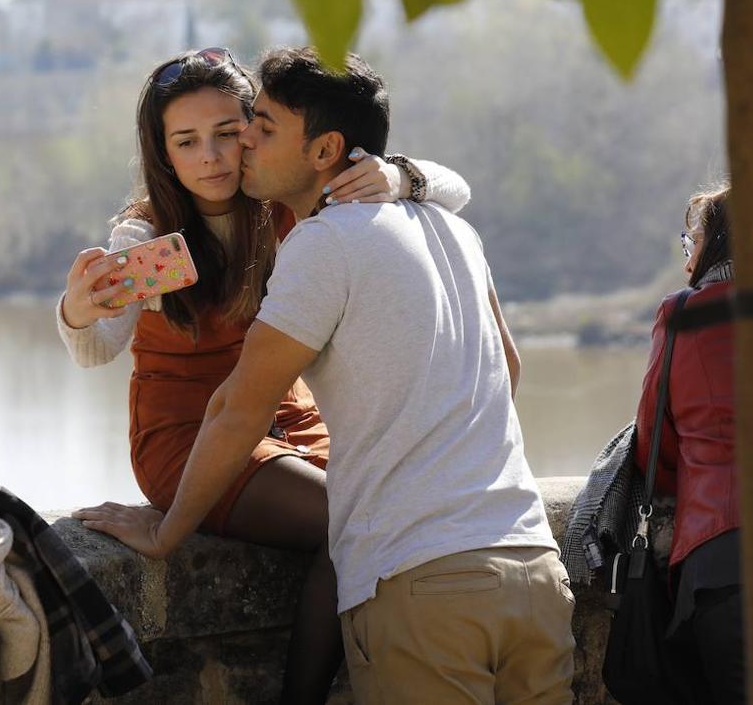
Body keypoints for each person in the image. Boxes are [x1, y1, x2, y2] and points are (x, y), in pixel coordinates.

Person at [78, 47, 574, 703]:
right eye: (187, 141)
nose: (224, 152)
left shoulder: (294, 219)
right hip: (196, 438)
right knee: (351, 512)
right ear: (161, 152)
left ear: (321, 149)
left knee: (357, 512)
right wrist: (76, 309)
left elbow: (451, 186)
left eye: (243, 129)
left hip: (298, 439)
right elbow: (101, 344)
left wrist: (398, 176)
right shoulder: (154, 237)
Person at [634, 184, 742, 703]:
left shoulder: (683, 314)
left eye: (691, 242)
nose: (687, 261)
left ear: (717, 244)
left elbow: (654, 440)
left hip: (724, 558)